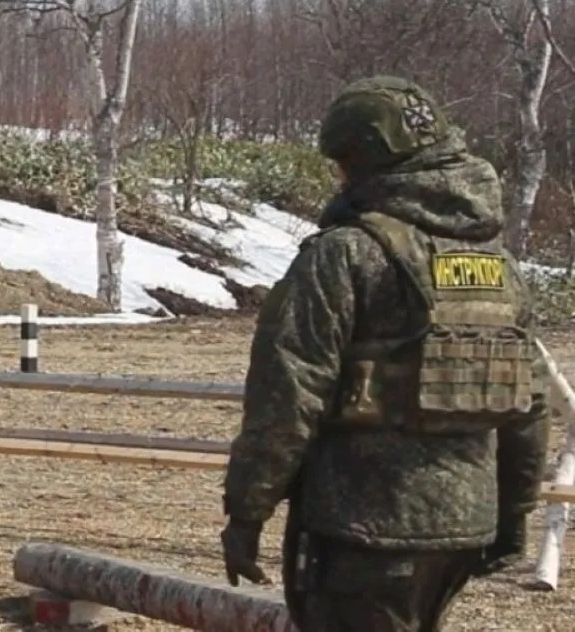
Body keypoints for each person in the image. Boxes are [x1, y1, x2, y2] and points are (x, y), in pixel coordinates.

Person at [220, 76, 551, 631]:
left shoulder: (346, 255)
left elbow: (288, 394)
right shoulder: (498, 266)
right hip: (463, 527)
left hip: (362, 527)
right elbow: (528, 404)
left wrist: (247, 511)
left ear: (359, 161)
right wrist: (514, 513)